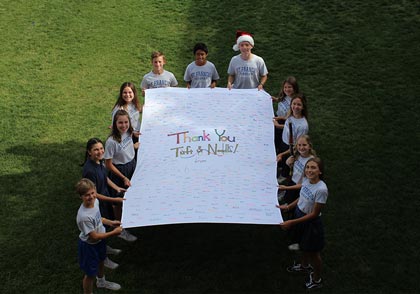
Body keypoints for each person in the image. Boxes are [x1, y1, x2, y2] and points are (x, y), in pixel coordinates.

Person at [277, 157, 328, 290]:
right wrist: (288, 207)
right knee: (303, 245)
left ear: (320, 171)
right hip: (300, 215)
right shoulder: (307, 180)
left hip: (311, 223)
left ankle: (317, 279)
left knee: (314, 253)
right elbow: (302, 197)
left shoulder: (321, 190)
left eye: (313, 168)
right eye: (307, 167)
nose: (309, 170)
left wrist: (292, 222)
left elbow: (314, 214)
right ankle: (304, 266)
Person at [82, 138, 129, 259]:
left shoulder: (100, 161)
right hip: (98, 203)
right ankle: (104, 255)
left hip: (105, 196)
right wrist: (114, 200)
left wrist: (117, 188)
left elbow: (105, 178)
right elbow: (94, 194)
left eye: (101, 148)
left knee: (107, 223)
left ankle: (106, 247)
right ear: (89, 152)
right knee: (99, 229)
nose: (100, 151)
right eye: (96, 150)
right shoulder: (89, 171)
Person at [75, 178, 123, 293]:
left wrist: (111, 222)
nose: (91, 197)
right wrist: (113, 233)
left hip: (99, 242)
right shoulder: (84, 217)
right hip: (89, 246)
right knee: (90, 274)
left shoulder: (95, 202)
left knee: (101, 261)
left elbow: (98, 219)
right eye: (87, 195)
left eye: (92, 193)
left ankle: (101, 282)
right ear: (80, 196)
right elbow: (94, 237)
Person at [104, 110, 138, 242]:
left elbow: (128, 147)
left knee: (131, 194)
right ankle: (120, 228)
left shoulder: (129, 133)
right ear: (115, 124)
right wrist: (123, 177)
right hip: (119, 172)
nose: (123, 125)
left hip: (132, 165)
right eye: (120, 123)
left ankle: (130, 218)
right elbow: (108, 164)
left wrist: (135, 146)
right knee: (118, 202)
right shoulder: (111, 142)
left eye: (126, 122)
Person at [276, 93, 309, 182]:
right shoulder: (291, 114)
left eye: (299, 104)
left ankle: (283, 178)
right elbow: (286, 125)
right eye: (294, 104)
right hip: (284, 143)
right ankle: (281, 168)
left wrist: (283, 154)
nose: (296, 106)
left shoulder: (303, 126)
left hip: (291, 149)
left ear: (303, 107)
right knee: (282, 162)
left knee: (287, 166)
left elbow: (297, 147)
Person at [278, 135, 316, 207]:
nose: (301, 147)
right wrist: (289, 162)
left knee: (293, 199)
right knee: (289, 194)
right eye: (299, 145)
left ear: (310, 146)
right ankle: (286, 196)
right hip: (293, 179)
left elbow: (307, 182)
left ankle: (288, 207)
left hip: (300, 186)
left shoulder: (311, 161)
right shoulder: (298, 154)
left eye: (304, 145)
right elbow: (290, 164)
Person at [272, 76, 299, 153]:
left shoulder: (295, 101)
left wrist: (278, 125)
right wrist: (276, 99)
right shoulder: (285, 95)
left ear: (295, 87)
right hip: (278, 118)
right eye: (285, 87)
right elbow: (281, 100)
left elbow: (289, 122)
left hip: (284, 123)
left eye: (289, 87)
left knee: (280, 139)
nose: (287, 89)